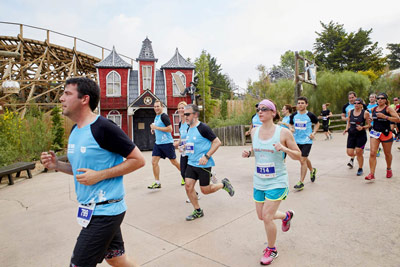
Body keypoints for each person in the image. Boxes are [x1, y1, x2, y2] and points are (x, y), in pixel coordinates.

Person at [40, 77, 145, 267]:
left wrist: (99, 175)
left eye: (67, 93)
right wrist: (57, 165)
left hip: (105, 211)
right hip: (91, 209)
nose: (62, 98)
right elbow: (81, 171)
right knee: (116, 259)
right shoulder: (75, 130)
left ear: (84, 99)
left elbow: (138, 160)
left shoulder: (103, 128)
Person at [242, 99, 301, 265]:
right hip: (259, 180)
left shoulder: (283, 133)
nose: (260, 111)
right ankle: (286, 215)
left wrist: (285, 149)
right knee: (261, 216)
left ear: (273, 113)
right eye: (258, 109)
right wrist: (249, 153)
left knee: (267, 217)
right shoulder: (254, 132)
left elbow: (299, 155)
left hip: (277, 181)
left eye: (264, 109)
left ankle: (272, 249)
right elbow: (260, 151)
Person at [183, 104, 235, 221]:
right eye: (184, 114)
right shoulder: (188, 128)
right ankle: (198, 211)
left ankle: (223, 184)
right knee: (188, 186)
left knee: (205, 190)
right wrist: (185, 147)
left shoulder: (203, 128)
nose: (185, 116)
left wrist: (206, 156)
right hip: (191, 163)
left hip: (204, 165)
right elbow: (194, 144)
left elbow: (217, 142)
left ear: (195, 115)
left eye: (187, 114)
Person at [365, 93, 400, 180]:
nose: (379, 100)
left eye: (382, 98)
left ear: (385, 100)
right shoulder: (373, 109)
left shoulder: (388, 109)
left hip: (386, 133)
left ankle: (389, 169)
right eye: (378, 98)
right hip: (375, 133)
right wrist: (370, 120)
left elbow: (398, 119)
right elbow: (372, 120)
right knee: (372, 152)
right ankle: (371, 174)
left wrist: (385, 117)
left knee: (387, 153)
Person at [148, 100, 181, 189]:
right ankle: (157, 182)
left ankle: (185, 176)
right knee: (154, 162)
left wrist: (156, 127)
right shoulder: (157, 116)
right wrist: (153, 129)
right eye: (155, 107)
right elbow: (156, 126)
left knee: (174, 162)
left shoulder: (164, 116)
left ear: (162, 107)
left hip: (167, 143)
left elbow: (170, 129)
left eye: (158, 106)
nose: (156, 108)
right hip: (158, 144)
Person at [289, 96, 319, 191]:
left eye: (302, 103)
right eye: (299, 103)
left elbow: (317, 123)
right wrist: (291, 128)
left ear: (306, 104)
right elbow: (290, 124)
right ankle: (312, 170)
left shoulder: (310, 115)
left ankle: (301, 182)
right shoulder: (293, 115)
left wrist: (313, 133)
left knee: (302, 160)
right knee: (303, 159)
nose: (300, 105)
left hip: (307, 141)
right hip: (296, 141)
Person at [173, 101, 201, 203]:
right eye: (179, 108)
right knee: (183, 172)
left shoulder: (190, 122)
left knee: (192, 172)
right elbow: (182, 136)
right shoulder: (181, 123)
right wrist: (178, 142)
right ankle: (194, 192)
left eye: (182, 108)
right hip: (184, 150)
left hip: (192, 150)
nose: (180, 110)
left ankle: (208, 175)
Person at [343, 98, 370, 176]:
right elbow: (349, 122)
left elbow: (369, 125)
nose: (356, 105)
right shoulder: (350, 112)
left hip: (361, 135)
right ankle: (359, 153)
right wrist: (346, 129)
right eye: (355, 103)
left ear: (361, 105)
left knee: (358, 152)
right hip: (351, 135)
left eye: (358, 103)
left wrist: (362, 127)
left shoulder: (365, 113)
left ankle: (360, 168)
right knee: (349, 153)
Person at [341, 91, 357, 168]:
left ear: (355, 97)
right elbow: (342, 117)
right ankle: (354, 156)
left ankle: (352, 160)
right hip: (351, 128)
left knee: (357, 147)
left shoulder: (360, 105)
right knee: (351, 149)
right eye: (350, 98)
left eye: (352, 97)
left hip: (360, 129)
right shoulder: (345, 106)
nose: (351, 99)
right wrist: (346, 118)